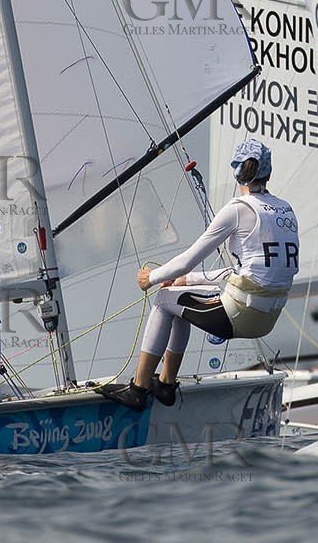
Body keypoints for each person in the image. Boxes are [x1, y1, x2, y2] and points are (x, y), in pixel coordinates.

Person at [97, 140, 298, 411]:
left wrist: (152, 277)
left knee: (164, 299)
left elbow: (187, 260)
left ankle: (139, 387)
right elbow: (246, 273)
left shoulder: (239, 209)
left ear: (237, 172)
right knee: (179, 302)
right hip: (268, 318)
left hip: (241, 314)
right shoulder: (285, 210)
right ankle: (165, 384)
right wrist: (187, 281)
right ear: (268, 173)